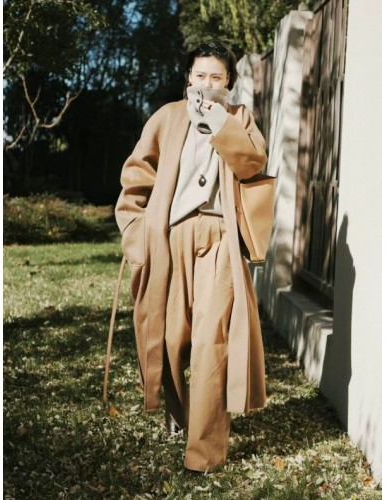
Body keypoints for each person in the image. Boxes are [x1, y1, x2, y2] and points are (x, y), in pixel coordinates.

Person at [114, 40, 267, 473]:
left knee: (211, 341)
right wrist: (136, 230)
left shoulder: (239, 118)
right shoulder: (167, 116)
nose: (207, 83)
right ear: (188, 77)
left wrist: (220, 121)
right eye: (200, 75)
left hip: (221, 238)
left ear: (229, 81)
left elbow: (252, 163)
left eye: (216, 76)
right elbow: (136, 175)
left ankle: (204, 454)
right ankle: (180, 413)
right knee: (169, 338)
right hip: (172, 236)